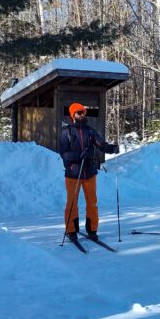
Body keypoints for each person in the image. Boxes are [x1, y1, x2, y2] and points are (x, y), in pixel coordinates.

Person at [58, 102, 119, 243]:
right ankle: (71, 230)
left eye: (83, 112)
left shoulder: (90, 132)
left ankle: (92, 230)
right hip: (73, 174)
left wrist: (112, 148)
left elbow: (101, 145)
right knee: (72, 203)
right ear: (73, 115)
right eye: (79, 112)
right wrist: (79, 155)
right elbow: (64, 154)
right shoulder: (66, 132)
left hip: (89, 172)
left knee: (92, 202)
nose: (82, 114)